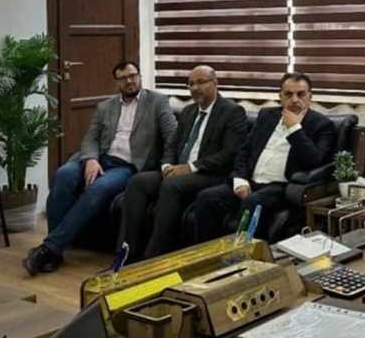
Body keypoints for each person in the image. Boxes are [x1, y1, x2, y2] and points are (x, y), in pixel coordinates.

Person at [23, 61, 177, 275]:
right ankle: (55, 252)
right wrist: (91, 159)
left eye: (133, 76)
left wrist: (167, 164)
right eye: (123, 78)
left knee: (98, 188)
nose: (129, 81)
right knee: (63, 175)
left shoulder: (157, 101)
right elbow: (91, 138)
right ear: (117, 82)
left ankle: (49, 249)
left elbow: (172, 135)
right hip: (101, 159)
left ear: (139, 76)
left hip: (128, 166)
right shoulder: (106, 106)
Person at [118, 65, 248, 261]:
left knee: (172, 185)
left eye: (201, 82)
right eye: (191, 84)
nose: (195, 88)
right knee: (138, 182)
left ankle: (153, 258)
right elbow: (172, 144)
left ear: (215, 83)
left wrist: (190, 167)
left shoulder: (232, 112)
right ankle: (126, 254)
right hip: (179, 171)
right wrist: (166, 165)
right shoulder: (188, 111)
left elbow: (230, 154)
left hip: (210, 174)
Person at [193, 72, 336, 242]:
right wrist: (240, 179)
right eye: (288, 94)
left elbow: (314, 161)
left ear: (310, 97)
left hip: (280, 186)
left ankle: (243, 255)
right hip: (250, 182)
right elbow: (244, 150)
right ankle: (208, 253)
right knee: (206, 197)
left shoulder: (322, 125)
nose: (294, 99)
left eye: (301, 94)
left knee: (253, 202)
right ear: (280, 96)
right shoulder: (267, 115)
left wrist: (294, 129)